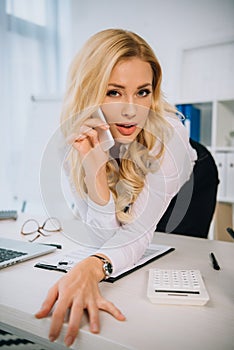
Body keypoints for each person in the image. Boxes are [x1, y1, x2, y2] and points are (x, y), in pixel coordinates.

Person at [35, 28, 197, 347]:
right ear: (91, 92)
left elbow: (135, 233)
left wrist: (92, 267)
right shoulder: (76, 136)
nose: (130, 109)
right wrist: (95, 171)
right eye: (114, 92)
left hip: (180, 180)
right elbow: (103, 236)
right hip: (123, 196)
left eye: (142, 92)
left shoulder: (172, 137)